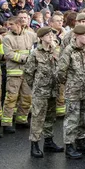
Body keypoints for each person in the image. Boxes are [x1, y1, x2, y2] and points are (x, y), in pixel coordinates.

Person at [58, 24, 85, 159]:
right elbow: (61, 72)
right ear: (76, 36)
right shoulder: (69, 51)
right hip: (74, 91)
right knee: (72, 119)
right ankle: (69, 146)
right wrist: (70, 83)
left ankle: (81, 141)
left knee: (84, 118)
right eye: (84, 35)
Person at [23, 26, 64, 157]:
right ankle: (34, 144)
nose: (51, 37)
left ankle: (48, 142)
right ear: (40, 38)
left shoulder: (55, 51)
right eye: (47, 35)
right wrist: (36, 86)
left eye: (52, 35)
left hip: (53, 89)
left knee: (51, 117)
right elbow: (28, 74)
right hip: (41, 91)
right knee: (37, 118)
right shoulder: (35, 53)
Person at [1, 16, 36, 134]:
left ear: (19, 24)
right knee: (11, 98)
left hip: (27, 72)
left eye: (11, 24)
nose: (8, 26)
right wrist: (25, 59)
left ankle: (22, 120)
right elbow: (9, 54)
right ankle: (7, 123)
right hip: (14, 73)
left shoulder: (30, 35)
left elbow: (38, 44)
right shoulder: (7, 38)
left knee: (27, 97)